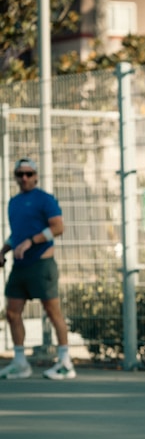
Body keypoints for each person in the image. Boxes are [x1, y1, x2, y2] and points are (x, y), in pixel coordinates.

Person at [0, 158, 76, 380]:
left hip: (42, 265)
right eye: (20, 174)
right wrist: (4, 250)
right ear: (16, 177)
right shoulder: (13, 203)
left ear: (36, 176)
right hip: (20, 267)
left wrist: (32, 242)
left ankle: (65, 363)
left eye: (29, 173)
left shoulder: (45, 200)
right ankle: (20, 363)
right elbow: (18, 235)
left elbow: (58, 227)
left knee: (53, 312)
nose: (24, 178)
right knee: (12, 313)